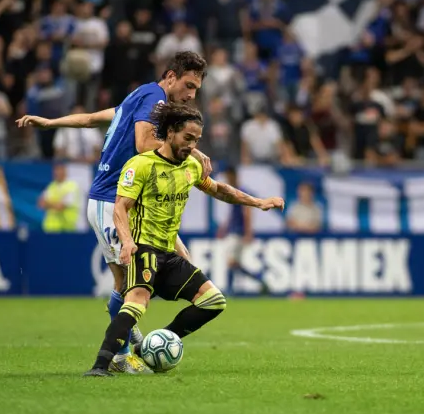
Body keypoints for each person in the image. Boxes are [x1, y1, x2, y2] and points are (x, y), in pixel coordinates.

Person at [16, 52, 212, 374]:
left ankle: (132, 342)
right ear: (170, 77)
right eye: (188, 85)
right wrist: (193, 151)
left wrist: (51, 122)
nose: (191, 95)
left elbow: (92, 118)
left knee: (156, 269)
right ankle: (121, 356)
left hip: (122, 200)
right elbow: (144, 143)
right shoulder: (154, 97)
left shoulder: (140, 96)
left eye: (196, 90)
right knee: (128, 281)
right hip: (112, 201)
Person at [84, 102, 284, 377]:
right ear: (170, 133)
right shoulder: (141, 164)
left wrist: (258, 202)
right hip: (144, 249)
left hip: (169, 254)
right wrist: (127, 241)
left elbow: (219, 190)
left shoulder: (190, 166)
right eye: (187, 138)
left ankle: (152, 345)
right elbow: (120, 207)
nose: (192, 146)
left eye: (196, 140)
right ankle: (100, 365)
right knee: (137, 302)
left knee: (213, 300)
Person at [216, 167, 270, 295]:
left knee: (231, 262)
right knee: (234, 263)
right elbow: (232, 214)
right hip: (233, 230)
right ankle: (259, 280)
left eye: (228, 177)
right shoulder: (233, 192)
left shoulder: (242, 192)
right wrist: (224, 228)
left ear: (234, 176)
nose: (227, 180)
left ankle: (230, 290)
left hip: (238, 232)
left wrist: (248, 232)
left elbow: (247, 213)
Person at [38, 162, 80, 232]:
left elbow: (60, 207)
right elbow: (40, 203)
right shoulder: (51, 186)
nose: (56, 172)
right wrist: (54, 204)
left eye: (59, 169)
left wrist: (48, 204)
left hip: (66, 229)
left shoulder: (72, 187)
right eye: (55, 170)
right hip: (50, 229)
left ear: (64, 171)